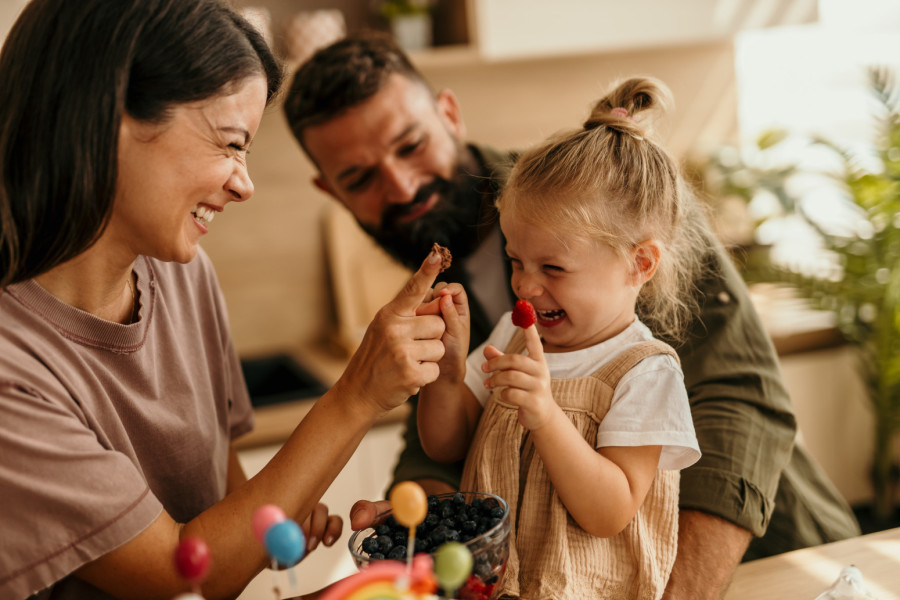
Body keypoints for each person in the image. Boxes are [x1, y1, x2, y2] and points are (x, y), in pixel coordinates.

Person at [283, 33, 860, 599]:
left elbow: (742, 399)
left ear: (449, 113)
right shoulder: (463, 285)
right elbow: (448, 438)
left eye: (410, 145)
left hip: (780, 564)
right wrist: (424, 525)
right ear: (328, 190)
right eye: (359, 178)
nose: (403, 186)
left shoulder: (606, 201)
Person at [0, 4, 449, 599]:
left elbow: (225, 515)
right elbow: (176, 573)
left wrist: (275, 518)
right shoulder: (11, 366)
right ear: (111, 115)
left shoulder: (183, 276)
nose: (244, 182)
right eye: (231, 143)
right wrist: (359, 393)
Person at [417, 77, 703, 599]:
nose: (526, 285)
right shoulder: (517, 333)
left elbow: (609, 512)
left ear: (639, 264)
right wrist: (448, 371)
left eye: (553, 267)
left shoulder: (645, 372)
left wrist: (546, 415)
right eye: (516, 261)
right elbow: (446, 443)